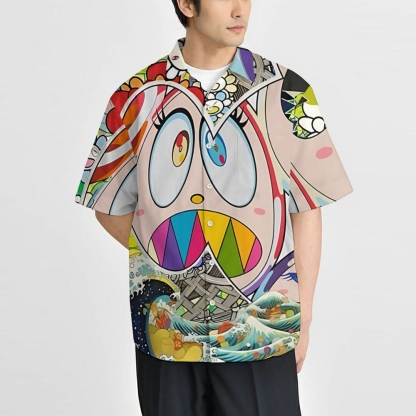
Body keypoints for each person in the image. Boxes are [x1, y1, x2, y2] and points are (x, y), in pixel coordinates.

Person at [74, 0, 353, 414]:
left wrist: (305, 314)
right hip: (168, 335)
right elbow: (107, 202)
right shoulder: (135, 97)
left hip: (261, 330)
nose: (241, 10)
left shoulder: (287, 92)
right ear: (187, 4)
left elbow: (308, 205)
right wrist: (169, 257)